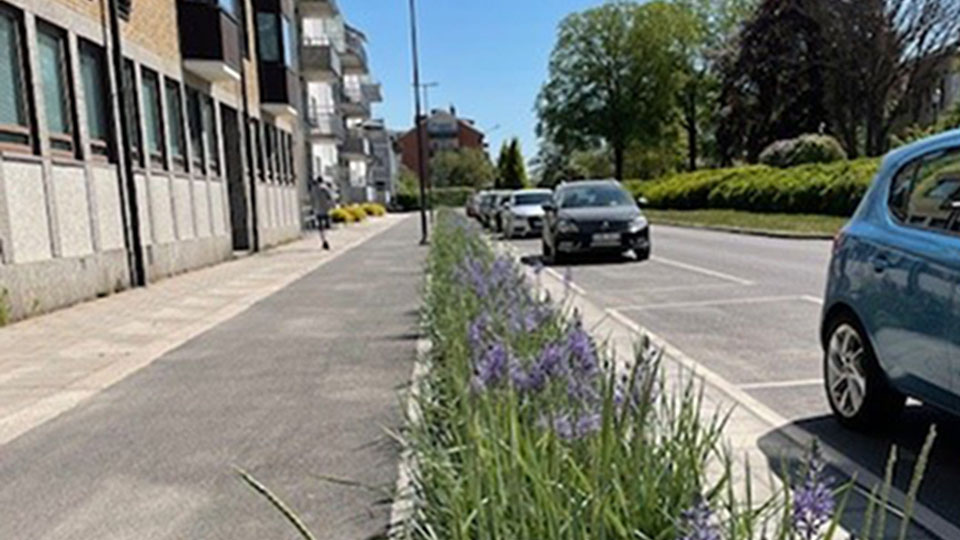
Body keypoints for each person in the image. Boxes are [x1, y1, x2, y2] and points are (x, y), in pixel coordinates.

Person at [309, 177, 334, 250]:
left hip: (318, 210)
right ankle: (326, 239)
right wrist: (331, 206)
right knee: (327, 226)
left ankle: (323, 240)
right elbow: (330, 198)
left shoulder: (313, 190)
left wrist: (313, 209)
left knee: (320, 227)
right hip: (326, 210)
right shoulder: (325, 188)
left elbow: (312, 200)